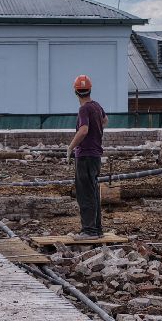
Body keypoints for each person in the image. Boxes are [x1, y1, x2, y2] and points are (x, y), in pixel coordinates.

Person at [68, 75, 107, 237]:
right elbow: (105, 120)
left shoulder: (84, 109)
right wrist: (96, 134)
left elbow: (83, 130)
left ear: (75, 92)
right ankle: (97, 229)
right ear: (90, 89)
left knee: (85, 193)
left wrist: (71, 147)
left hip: (85, 156)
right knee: (93, 192)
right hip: (96, 155)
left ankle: (89, 230)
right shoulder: (96, 106)